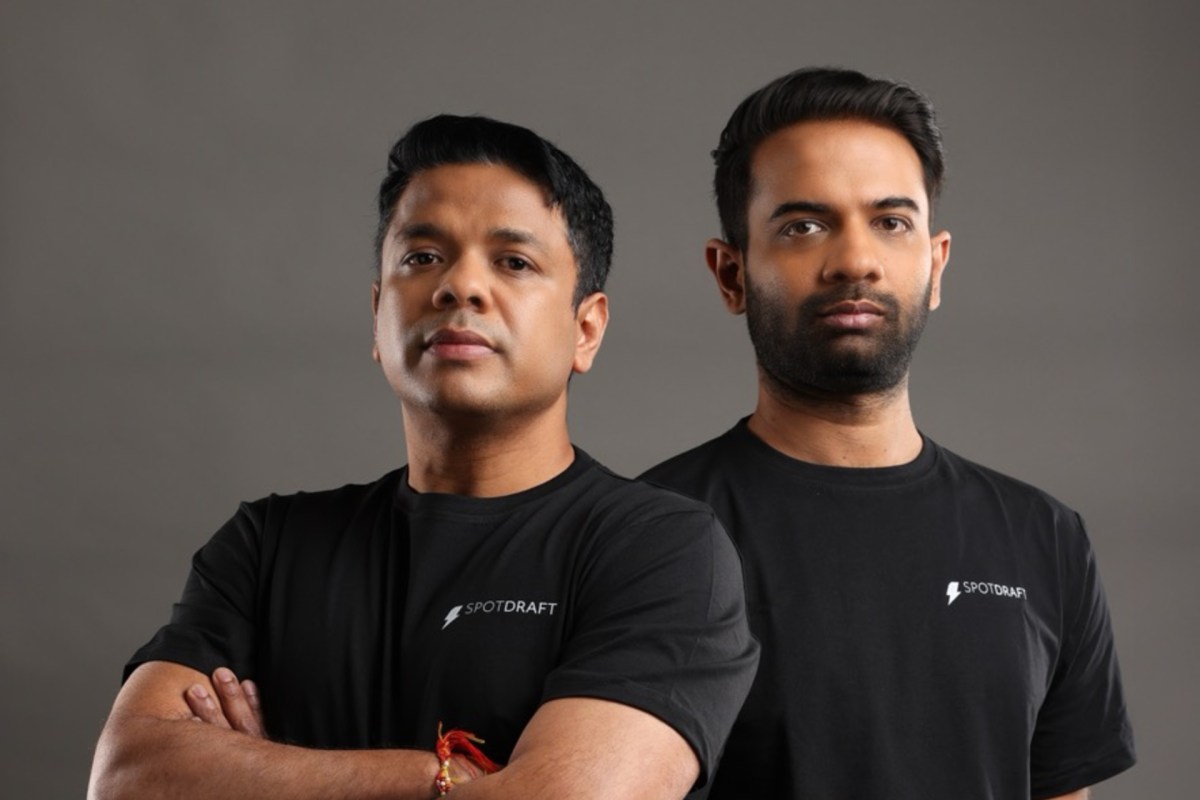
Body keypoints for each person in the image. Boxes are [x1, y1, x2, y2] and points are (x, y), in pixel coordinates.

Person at [88, 114, 759, 800]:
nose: (459, 286)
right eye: (422, 257)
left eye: (514, 262)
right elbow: (126, 778)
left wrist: (255, 771)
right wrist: (438, 776)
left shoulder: (660, 552)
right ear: (378, 316)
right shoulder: (266, 547)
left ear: (585, 329)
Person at [641, 68, 1135, 799]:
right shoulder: (645, 535)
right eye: (803, 226)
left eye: (891, 222)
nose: (855, 261)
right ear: (731, 274)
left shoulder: (1045, 537)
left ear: (935, 265)